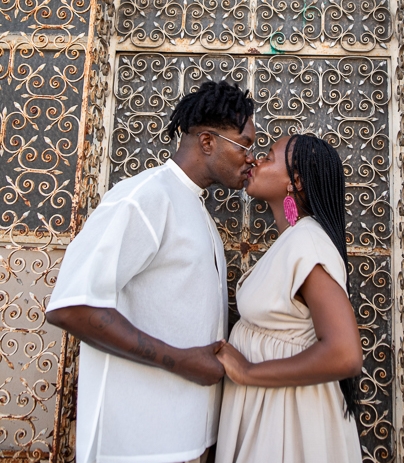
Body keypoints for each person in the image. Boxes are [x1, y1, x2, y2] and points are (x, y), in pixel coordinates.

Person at [46, 81, 255, 463]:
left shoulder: (196, 210)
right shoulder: (143, 198)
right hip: (137, 445)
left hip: (186, 439)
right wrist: (179, 359)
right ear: (207, 142)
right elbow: (71, 306)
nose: (251, 158)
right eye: (244, 144)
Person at [215, 133, 363, 463]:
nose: (254, 160)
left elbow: (345, 354)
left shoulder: (306, 243)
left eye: (267, 157)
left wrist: (248, 372)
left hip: (287, 420)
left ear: (294, 182)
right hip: (270, 409)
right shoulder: (293, 239)